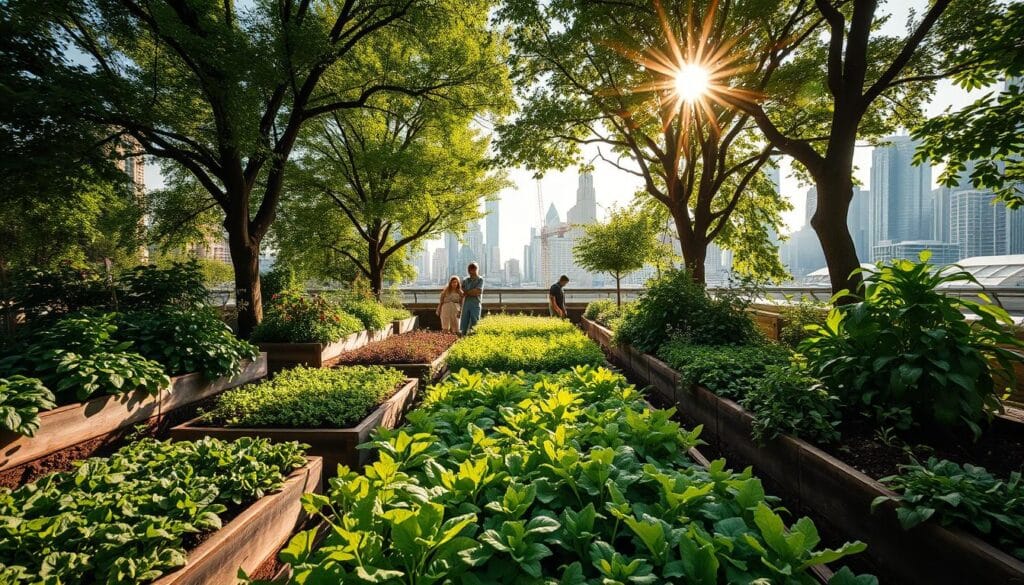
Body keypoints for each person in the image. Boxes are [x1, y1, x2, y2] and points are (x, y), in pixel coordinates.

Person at [460, 262, 484, 335]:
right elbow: (461, 291)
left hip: (475, 303)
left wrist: (467, 292)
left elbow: (478, 291)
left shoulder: (480, 279)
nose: (471, 272)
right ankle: (462, 337)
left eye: (473, 270)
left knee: (475, 321)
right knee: (464, 321)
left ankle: (474, 337)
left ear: (477, 269)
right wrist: (471, 291)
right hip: (466, 304)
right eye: (470, 270)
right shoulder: (465, 280)